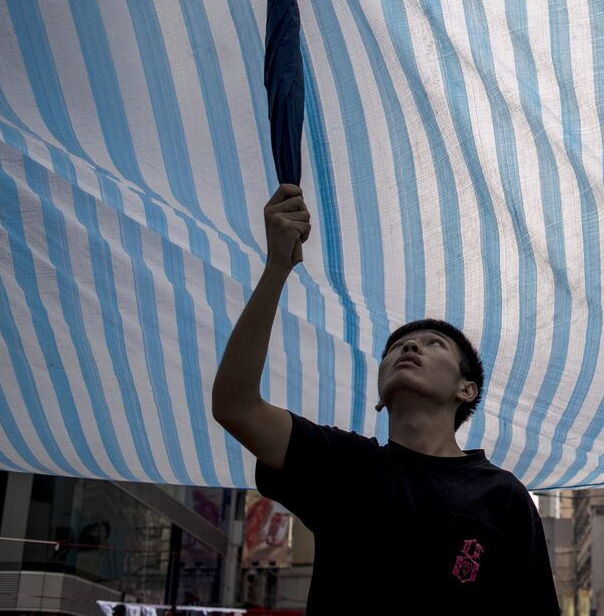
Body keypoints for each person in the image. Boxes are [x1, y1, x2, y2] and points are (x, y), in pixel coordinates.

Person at [211, 184, 559, 612]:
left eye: (434, 344)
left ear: (465, 390)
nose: (408, 348)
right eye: (395, 348)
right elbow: (236, 406)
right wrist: (276, 267)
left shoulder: (503, 496)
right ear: (380, 396)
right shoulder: (343, 465)